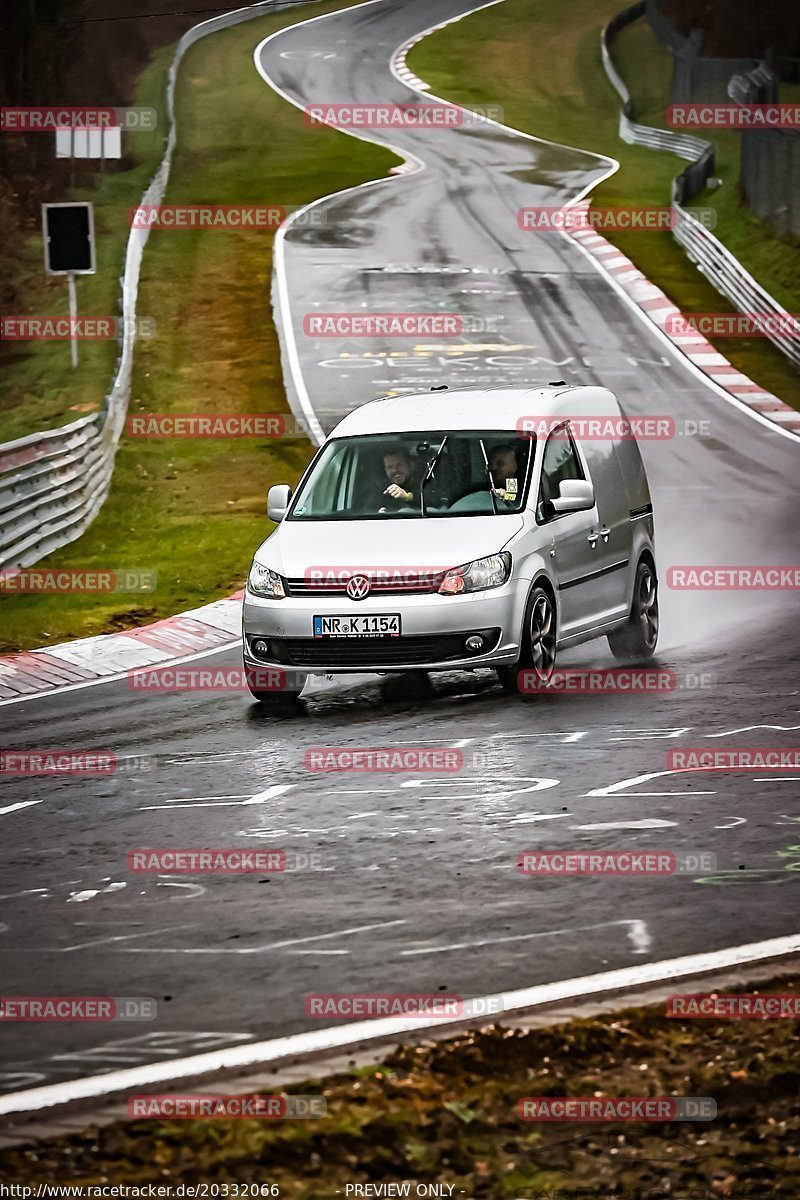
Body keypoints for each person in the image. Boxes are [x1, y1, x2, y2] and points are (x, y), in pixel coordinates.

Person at [377, 447, 418, 511]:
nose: (395, 470)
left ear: (411, 465)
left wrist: (407, 496)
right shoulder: (378, 491)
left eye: (399, 465)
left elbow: (434, 499)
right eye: (390, 467)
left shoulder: (424, 483)